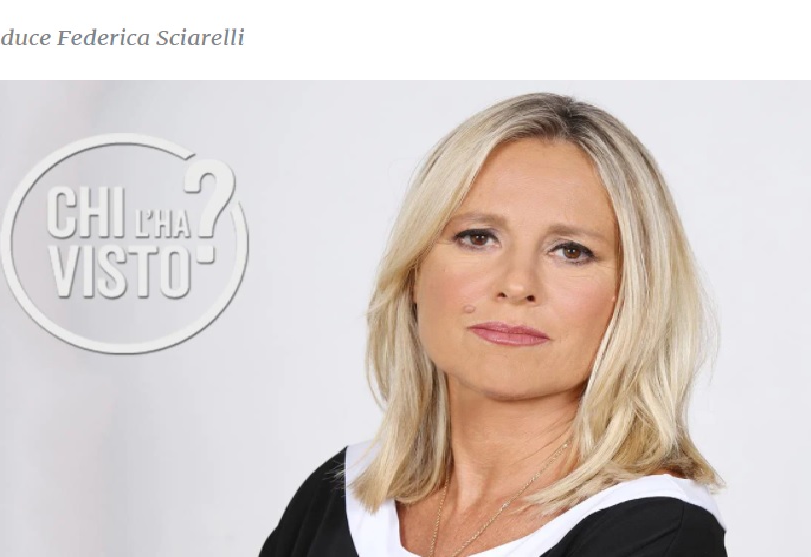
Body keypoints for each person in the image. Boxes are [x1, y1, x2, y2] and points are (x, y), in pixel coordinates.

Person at [259, 92, 728, 556]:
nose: (517, 284)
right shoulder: (340, 494)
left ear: (632, 294)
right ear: (415, 271)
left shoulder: (659, 533)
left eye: (571, 251)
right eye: (478, 237)